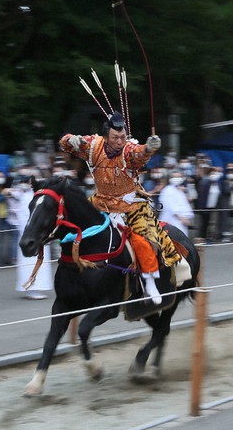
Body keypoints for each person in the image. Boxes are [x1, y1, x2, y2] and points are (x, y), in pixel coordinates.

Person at [60, 111, 191, 305]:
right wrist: (74, 140)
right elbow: (64, 142)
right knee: (74, 219)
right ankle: (67, 261)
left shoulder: (128, 151)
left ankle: (149, 281)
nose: (120, 141)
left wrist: (149, 148)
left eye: (122, 137)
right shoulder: (94, 145)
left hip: (130, 205)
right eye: (115, 137)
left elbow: (139, 155)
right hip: (100, 202)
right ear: (106, 136)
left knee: (142, 238)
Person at [11, 180, 52, 300]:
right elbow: (25, 219)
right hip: (31, 236)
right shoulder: (27, 198)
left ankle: (37, 287)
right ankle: (31, 288)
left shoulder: (38, 197)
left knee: (40, 261)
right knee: (30, 262)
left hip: (38, 235)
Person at [159, 171, 194, 236]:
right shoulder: (167, 190)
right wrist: (181, 218)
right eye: (174, 177)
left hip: (180, 222)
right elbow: (169, 206)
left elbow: (184, 204)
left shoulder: (179, 190)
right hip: (171, 220)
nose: (176, 178)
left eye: (178, 177)